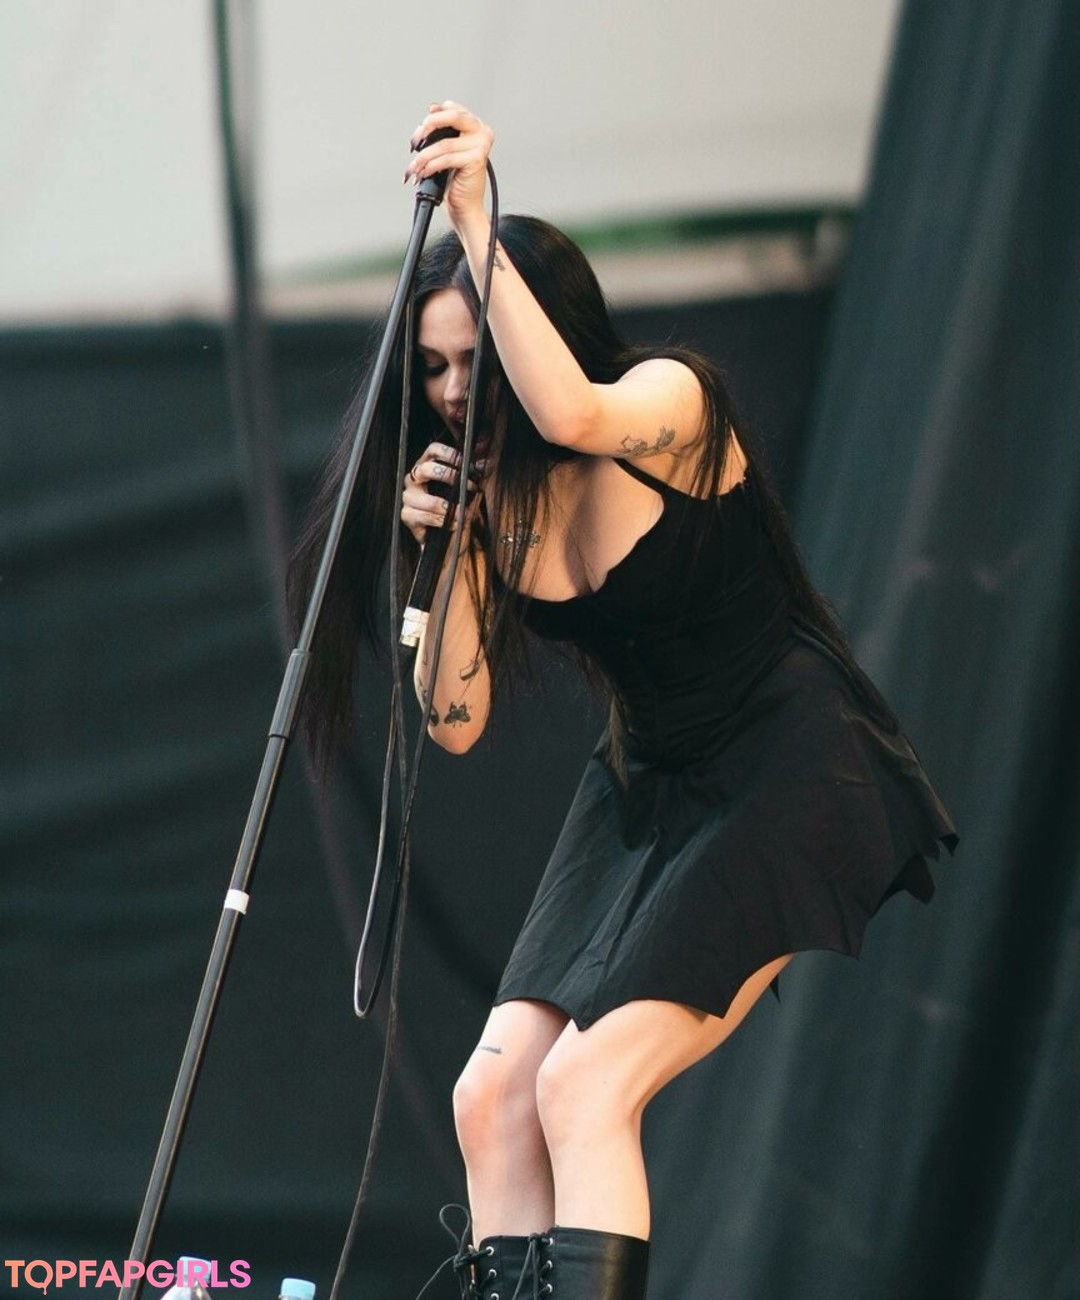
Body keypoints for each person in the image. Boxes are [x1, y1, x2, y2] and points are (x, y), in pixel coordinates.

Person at [288, 103, 957, 1300]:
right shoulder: (493, 502)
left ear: (542, 324)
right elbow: (453, 721)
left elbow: (572, 415)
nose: (454, 390)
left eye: (474, 357)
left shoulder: (668, 404)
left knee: (586, 1085)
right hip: (643, 779)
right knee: (492, 1094)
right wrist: (443, 556)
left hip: (784, 761)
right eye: (433, 368)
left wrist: (476, 217)